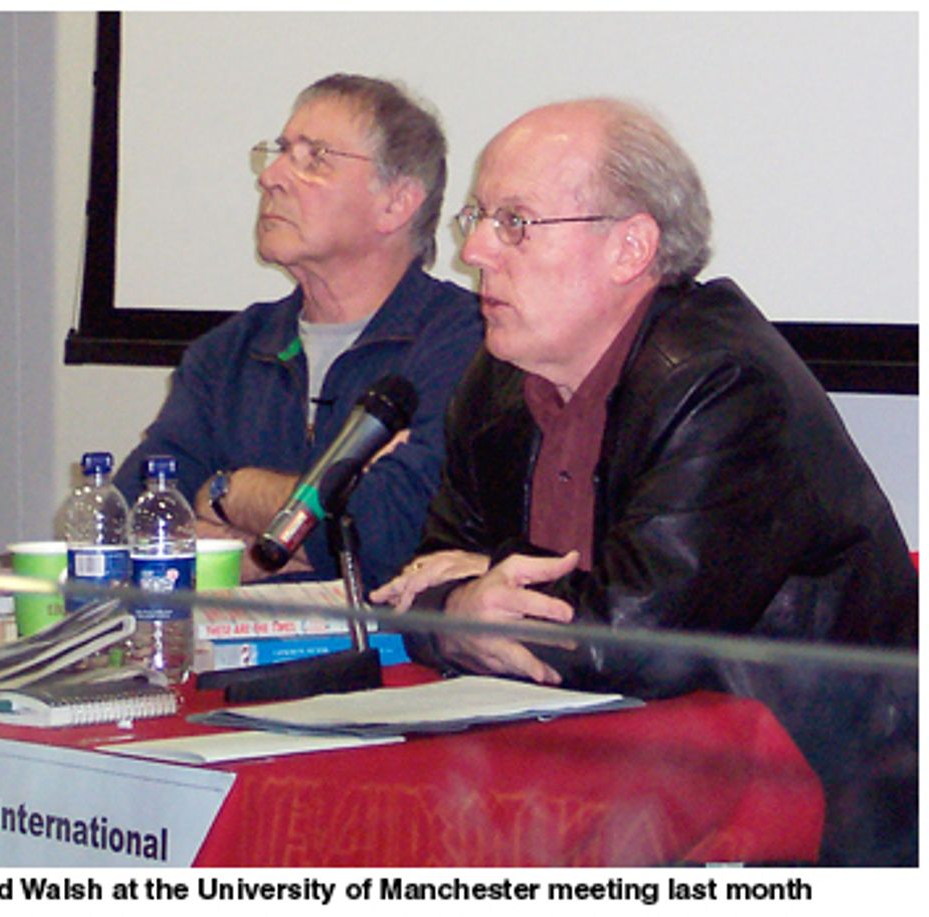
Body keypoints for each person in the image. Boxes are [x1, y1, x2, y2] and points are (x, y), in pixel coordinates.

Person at [371, 98, 917, 865]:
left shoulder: (723, 380)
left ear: (631, 248)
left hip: (807, 817)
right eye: (479, 217)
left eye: (516, 222)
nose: (478, 252)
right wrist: (459, 605)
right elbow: (428, 574)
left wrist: (470, 607)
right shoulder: (498, 380)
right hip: (606, 788)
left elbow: (634, 639)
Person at [114, 74, 481, 592]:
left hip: (392, 666)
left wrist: (227, 492)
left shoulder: (464, 342)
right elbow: (132, 518)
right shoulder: (231, 352)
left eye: (315, 158)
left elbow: (381, 539)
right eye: (280, 151)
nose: (271, 177)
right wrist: (273, 552)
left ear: (396, 203)